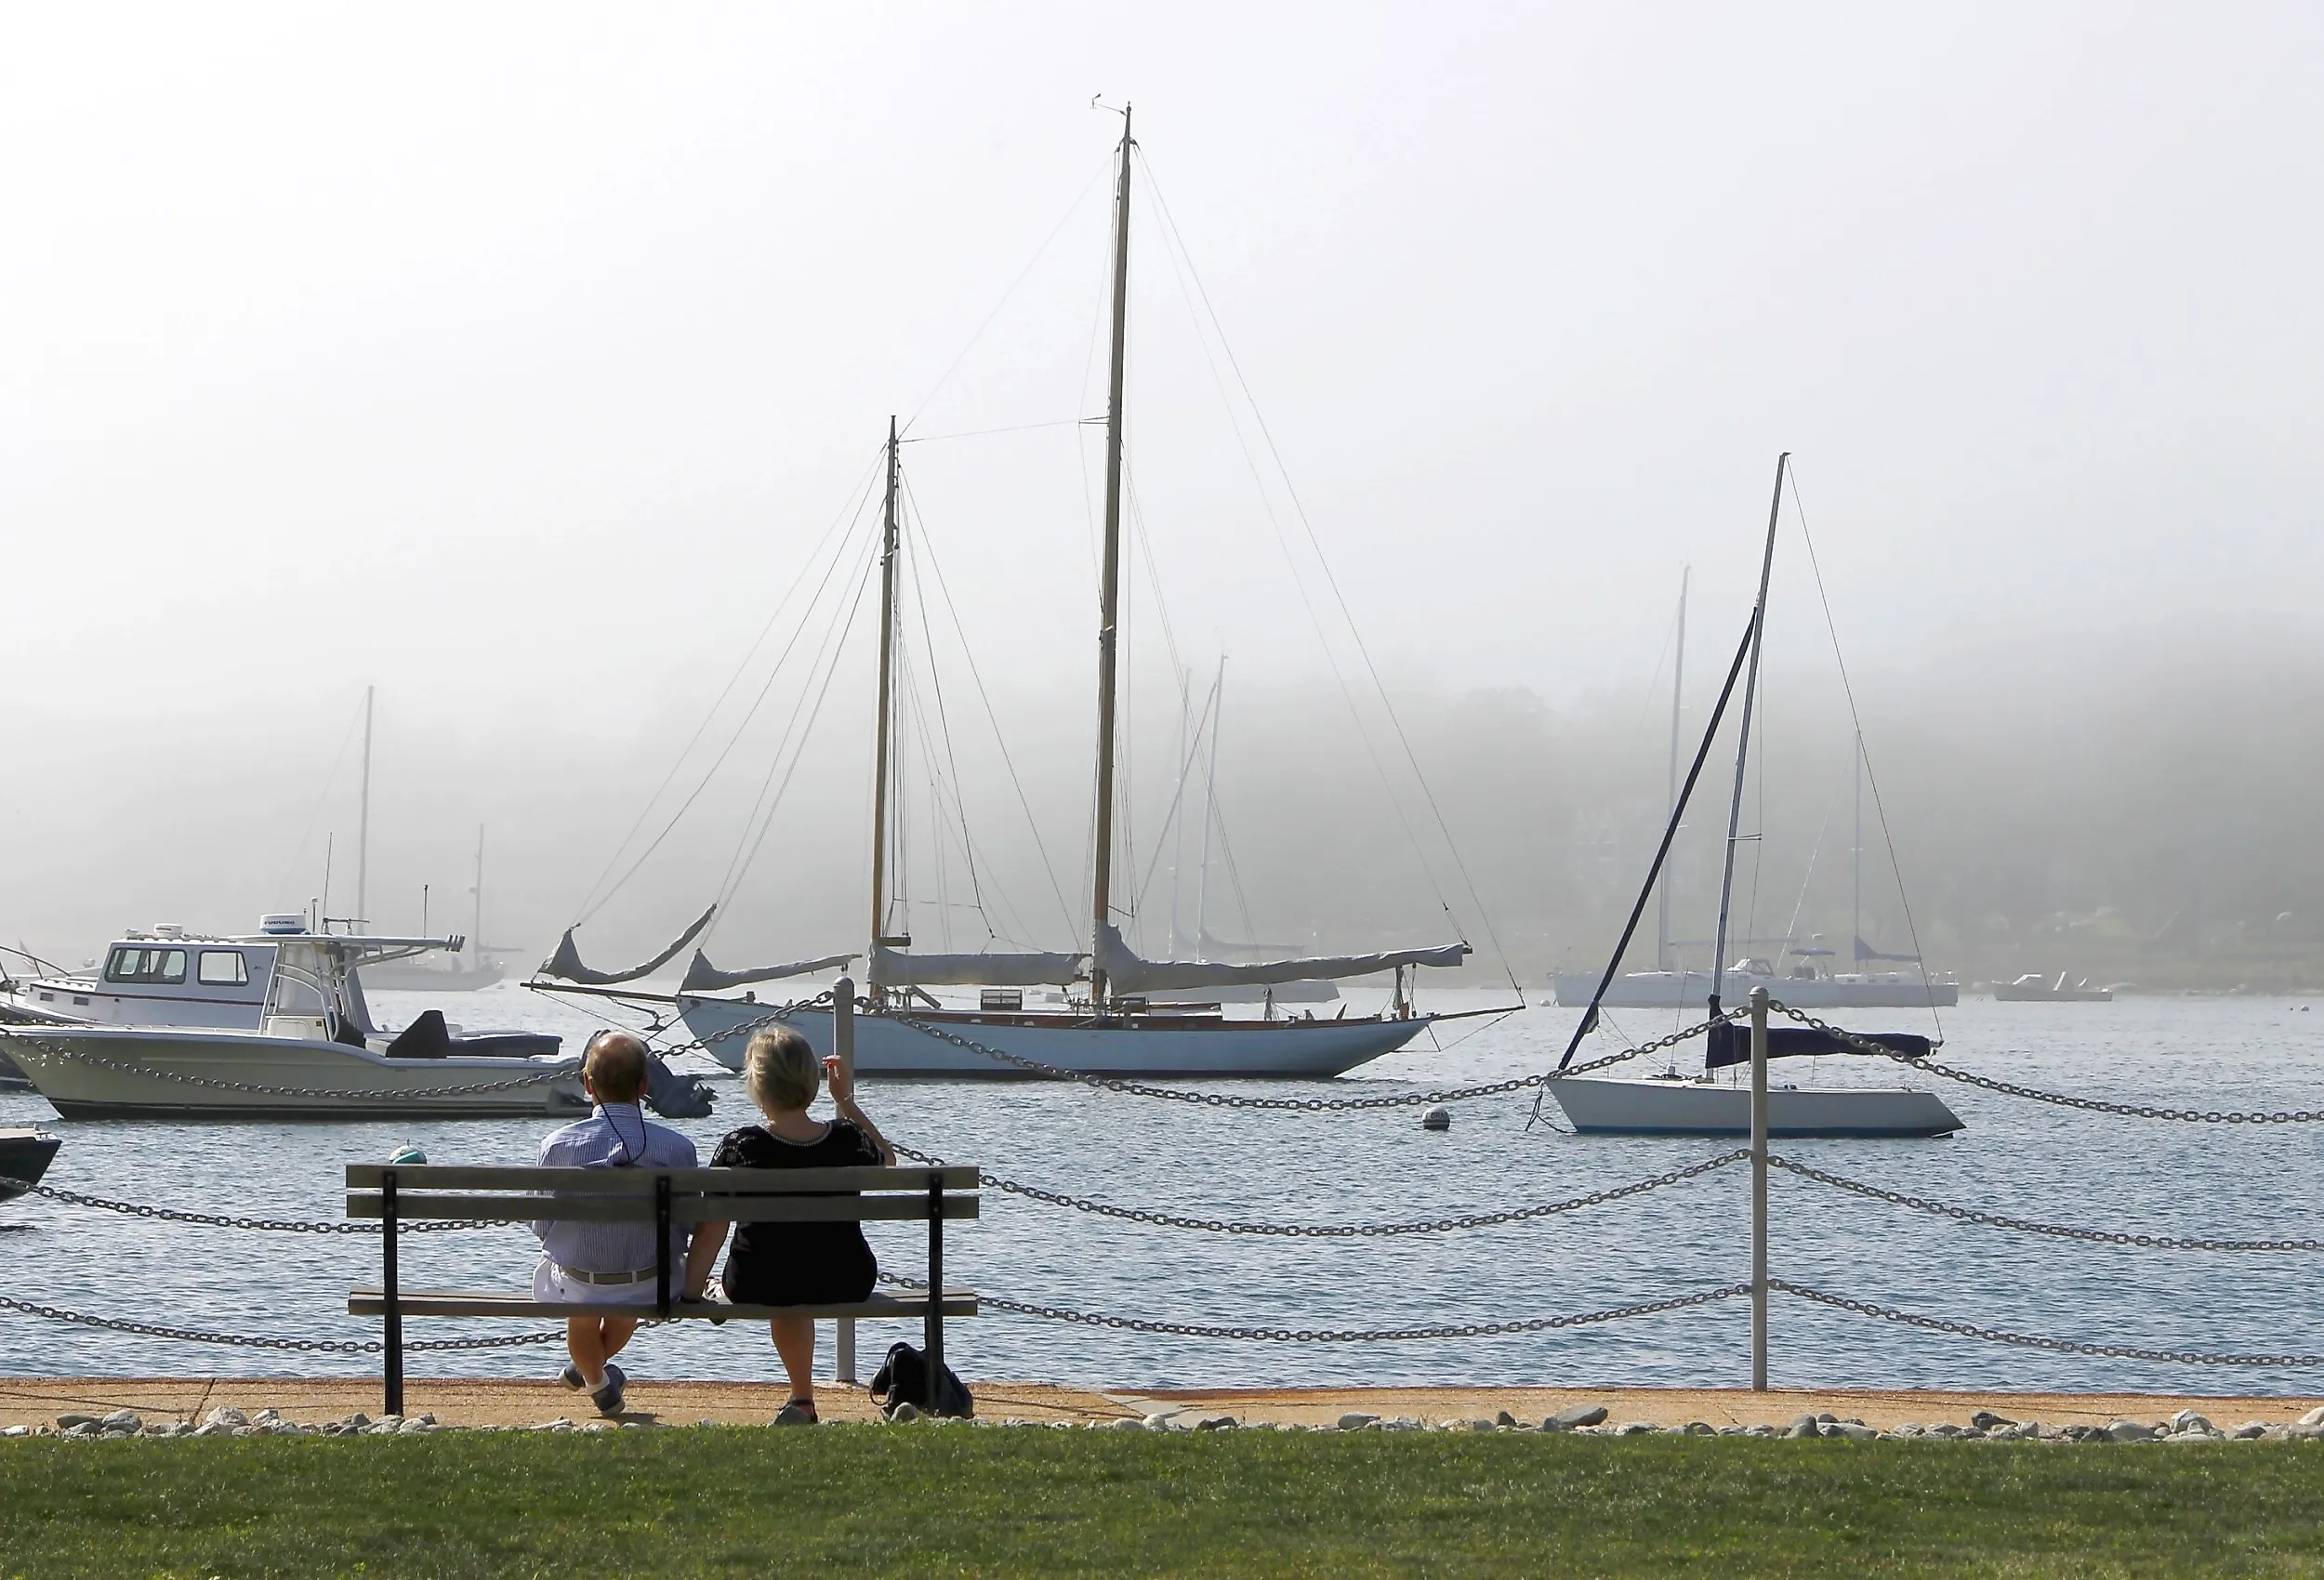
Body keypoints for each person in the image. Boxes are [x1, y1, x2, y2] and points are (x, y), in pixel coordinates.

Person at [681, 1025, 894, 1425]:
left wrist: (692, 1292)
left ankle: (803, 1398)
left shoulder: (740, 1147)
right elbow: (888, 1158)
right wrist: (844, 1101)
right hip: (845, 1276)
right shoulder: (848, 1140)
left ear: (757, 1086)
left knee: (783, 1268)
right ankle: (801, 1402)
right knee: (798, 1266)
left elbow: (712, 1227)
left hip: (759, 1279)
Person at [534, 1029, 697, 1417]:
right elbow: (687, 1224)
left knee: (578, 1291)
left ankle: (595, 1378)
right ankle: (594, 1375)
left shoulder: (556, 1145)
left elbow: (540, 1224)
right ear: (644, 1085)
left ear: (587, 1084)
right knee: (629, 1294)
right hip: (650, 1281)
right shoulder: (677, 1148)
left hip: (578, 1278)